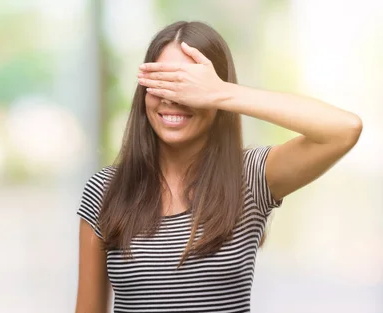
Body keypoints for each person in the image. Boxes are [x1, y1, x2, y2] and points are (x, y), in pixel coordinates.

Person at [74, 21, 362, 313]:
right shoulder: (105, 190)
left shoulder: (251, 176)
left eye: (187, 85)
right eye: (163, 81)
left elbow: (344, 129)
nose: (173, 97)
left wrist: (222, 93)